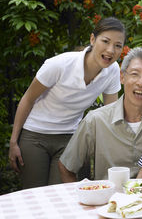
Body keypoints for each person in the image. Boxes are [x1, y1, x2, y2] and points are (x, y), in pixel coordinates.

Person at [8, 17, 125, 189]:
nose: (110, 50)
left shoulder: (112, 70)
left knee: (63, 193)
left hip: (70, 138)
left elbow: (110, 114)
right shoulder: (60, 64)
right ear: (93, 39)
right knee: (35, 194)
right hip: (35, 136)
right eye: (105, 41)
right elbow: (27, 99)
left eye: (118, 45)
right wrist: (13, 142)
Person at [58, 47, 142, 181]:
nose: (141, 82)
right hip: (109, 199)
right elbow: (66, 167)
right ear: (122, 77)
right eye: (134, 74)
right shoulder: (96, 120)